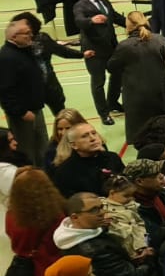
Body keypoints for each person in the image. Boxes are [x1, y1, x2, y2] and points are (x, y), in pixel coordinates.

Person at [106, 13, 165, 151]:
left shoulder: (124, 45)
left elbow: (111, 66)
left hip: (136, 97)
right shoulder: (160, 40)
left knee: (141, 139)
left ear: (128, 25)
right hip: (159, 94)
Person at [71, 0, 125, 128]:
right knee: (98, 82)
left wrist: (134, 23)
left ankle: (112, 103)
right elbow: (79, 21)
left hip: (111, 48)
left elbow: (115, 17)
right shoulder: (79, 5)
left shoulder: (105, 2)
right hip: (94, 51)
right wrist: (91, 21)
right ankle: (104, 113)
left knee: (117, 75)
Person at [0, 20, 49, 167]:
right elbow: (5, 90)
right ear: (14, 37)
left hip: (34, 110)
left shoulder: (23, 51)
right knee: (27, 152)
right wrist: (21, 112)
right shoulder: (6, 57)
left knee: (42, 149)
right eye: (27, 33)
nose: (31, 36)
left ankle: (44, 178)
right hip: (23, 115)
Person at [49, 123, 125, 199]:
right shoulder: (65, 171)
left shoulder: (112, 157)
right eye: (84, 136)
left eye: (94, 133)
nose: (92, 138)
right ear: (74, 145)